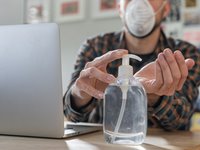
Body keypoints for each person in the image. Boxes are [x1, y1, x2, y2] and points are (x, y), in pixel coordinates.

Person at [63, 0, 200, 130]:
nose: (139, 3)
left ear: (165, 9)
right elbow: (69, 115)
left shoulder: (184, 54)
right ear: (119, 9)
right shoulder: (94, 47)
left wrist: (154, 95)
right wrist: (80, 95)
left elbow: (181, 118)